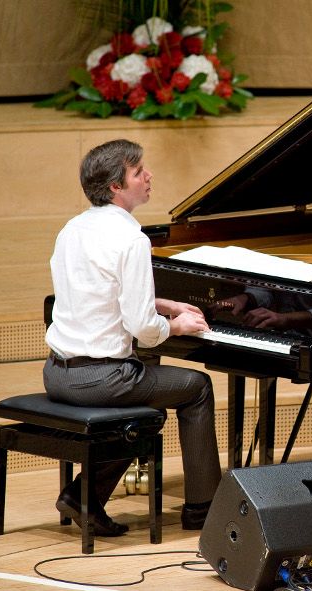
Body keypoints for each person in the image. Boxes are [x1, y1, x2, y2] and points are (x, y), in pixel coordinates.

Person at [44, 139, 222, 535]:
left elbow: (100, 291)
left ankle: (82, 497)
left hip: (57, 374)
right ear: (116, 187)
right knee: (196, 387)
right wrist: (176, 325)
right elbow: (143, 329)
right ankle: (202, 510)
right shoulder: (132, 240)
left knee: (151, 412)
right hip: (101, 380)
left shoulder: (72, 229)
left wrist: (164, 303)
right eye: (139, 171)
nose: (149, 176)